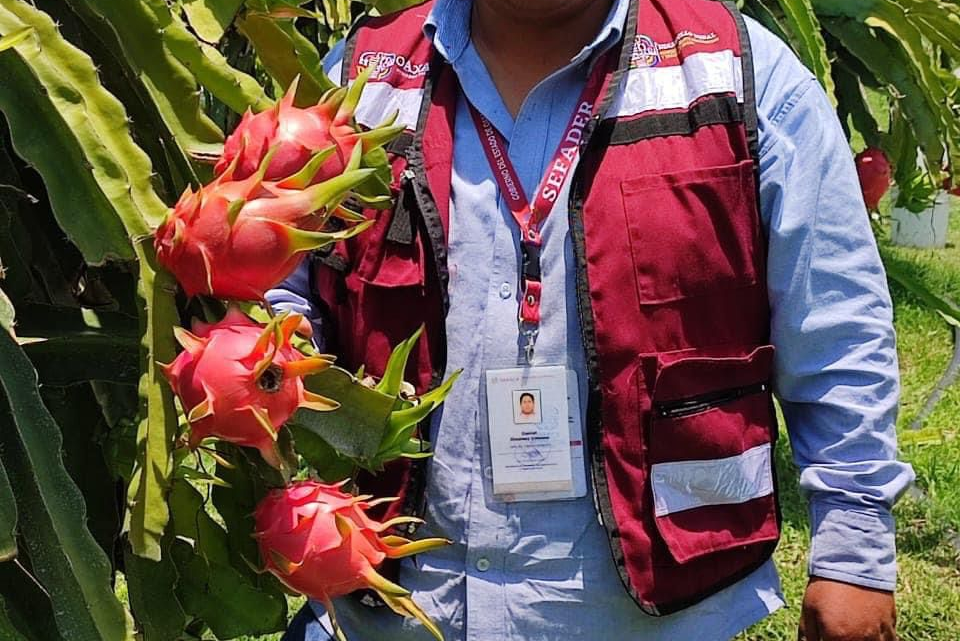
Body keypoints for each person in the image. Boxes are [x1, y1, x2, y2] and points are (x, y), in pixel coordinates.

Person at [268, 0, 915, 639]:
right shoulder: (364, 79)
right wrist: (276, 349)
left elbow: (835, 321)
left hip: (656, 614)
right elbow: (277, 280)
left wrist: (853, 548)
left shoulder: (738, 73)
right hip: (389, 610)